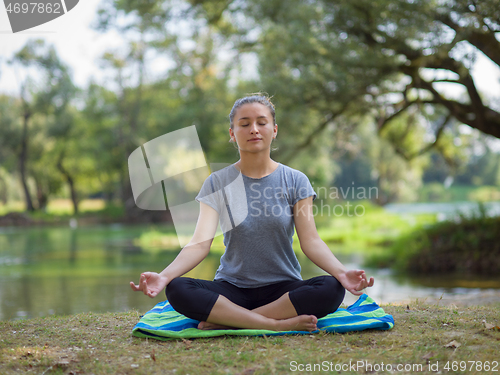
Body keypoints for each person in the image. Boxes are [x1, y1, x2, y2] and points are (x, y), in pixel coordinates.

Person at [130, 94, 374, 332]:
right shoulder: (217, 183)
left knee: (331, 287)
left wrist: (342, 273)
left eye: (261, 122)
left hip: (283, 291)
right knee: (177, 289)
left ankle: (229, 321)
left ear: (274, 130)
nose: (254, 129)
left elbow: (310, 241)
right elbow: (198, 244)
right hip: (232, 289)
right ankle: (274, 324)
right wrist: (163, 276)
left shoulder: (295, 180)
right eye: (244, 124)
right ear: (232, 134)